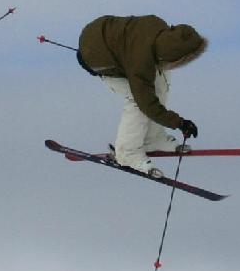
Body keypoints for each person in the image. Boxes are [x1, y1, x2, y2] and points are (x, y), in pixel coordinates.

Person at [76, 14, 207, 178]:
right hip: (95, 56)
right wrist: (179, 123)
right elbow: (147, 103)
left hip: (107, 40)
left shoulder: (159, 26)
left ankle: (152, 139)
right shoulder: (141, 62)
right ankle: (126, 153)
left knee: (161, 81)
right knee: (137, 101)